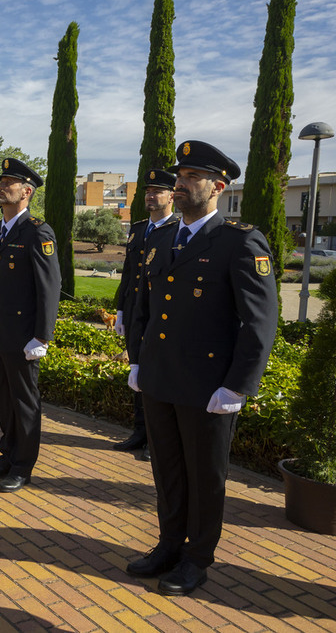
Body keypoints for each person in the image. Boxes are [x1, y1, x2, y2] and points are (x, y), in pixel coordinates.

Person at [126, 141, 277, 596]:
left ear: (218, 186)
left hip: (209, 387)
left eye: (193, 176)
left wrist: (237, 386)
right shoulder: (162, 238)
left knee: (205, 476)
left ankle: (197, 558)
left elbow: (260, 321)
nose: (181, 183)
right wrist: (138, 360)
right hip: (160, 379)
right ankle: (169, 544)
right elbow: (145, 309)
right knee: (168, 470)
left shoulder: (238, 240)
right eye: (181, 175)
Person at [0, 158, 61, 493]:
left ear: (27, 192)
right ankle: (7, 455)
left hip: (24, 336)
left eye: (9, 182)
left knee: (24, 403)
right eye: (1, 181)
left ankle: (23, 466)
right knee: (3, 399)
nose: (1, 186)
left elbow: (49, 287)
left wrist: (42, 335)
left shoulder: (38, 231)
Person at [111, 169, 179, 461]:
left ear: (172, 196)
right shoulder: (139, 229)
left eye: (157, 191)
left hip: (160, 314)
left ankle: (157, 438)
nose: (151, 196)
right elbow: (128, 273)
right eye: (148, 192)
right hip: (136, 310)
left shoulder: (178, 229)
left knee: (160, 376)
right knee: (137, 371)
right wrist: (121, 309)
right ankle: (140, 431)